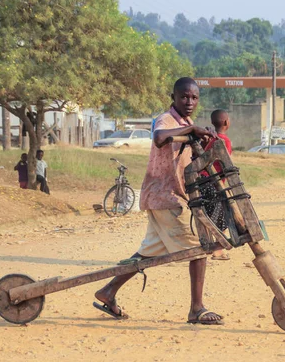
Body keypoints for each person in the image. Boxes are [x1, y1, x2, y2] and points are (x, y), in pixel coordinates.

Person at [93, 77, 224, 325]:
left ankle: (108, 291)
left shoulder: (187, 123)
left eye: (194, 98)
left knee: (148, 253)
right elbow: (160, 136)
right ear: (173, 97)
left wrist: (204, 137)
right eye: (184, 96)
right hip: (165, 195)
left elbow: (193, 155)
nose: (189, 101)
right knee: (198, 248)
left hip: (167, 194)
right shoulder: (168, 120)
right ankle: (197, 308)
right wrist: (190, 130)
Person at [202, 109, 232, 261]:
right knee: (224, 215)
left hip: (204, 182)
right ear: (227, 122)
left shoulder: (212, 139)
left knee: (213, 215)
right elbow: (226, 163)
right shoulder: (223, 140)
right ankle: (218, 250)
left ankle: (214, 247)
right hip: (213, 183)